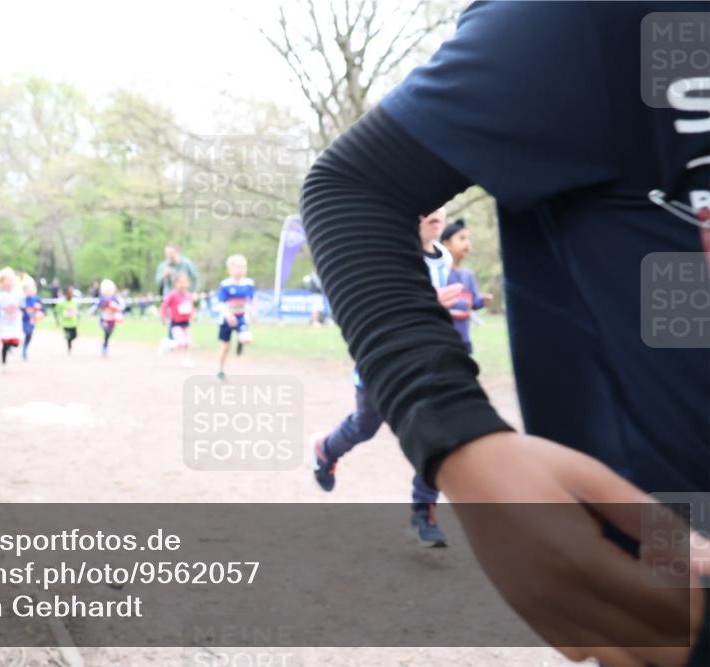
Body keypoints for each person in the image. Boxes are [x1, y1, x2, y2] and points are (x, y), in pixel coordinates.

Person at [299, 2, 708, 664]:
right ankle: (333, 451)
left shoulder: (454, 264)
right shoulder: (603, 28)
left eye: (442, 223)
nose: (439, 228)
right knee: (369, 422)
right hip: (392, 364)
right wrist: (461, 439)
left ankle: (419, 511)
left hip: (451, 350)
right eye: (434, 222)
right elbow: (352, 191)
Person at [310, 209, 461, 548]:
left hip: (424, 360)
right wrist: (426, 302)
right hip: (381, 360)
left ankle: (423, 513)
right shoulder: (389, 251)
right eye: (427, 208)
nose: (436, 214)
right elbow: (374, 304)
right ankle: (325, 450)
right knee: (363, 426)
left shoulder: (444, 257)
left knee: (436, 433)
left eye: (441, 207)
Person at [440, 218, 493, 353]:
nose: (467, 243)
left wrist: (482, 301)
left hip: (464, 340)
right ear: (446, 244)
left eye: (469, 239)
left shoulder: (468, 275)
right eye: (462, 238)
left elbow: (473, 303)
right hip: (444, 339)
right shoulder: (441, 273)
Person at [216, 254, 255, 380]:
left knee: (247, 338)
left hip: (241, 318)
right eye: (238, 267)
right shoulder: (225, 285)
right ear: (230, 269)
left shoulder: (249, 284)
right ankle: (220, 370)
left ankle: (240, 340)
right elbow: (221, 303)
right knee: (225, 347)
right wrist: (228, 315)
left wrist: (254, 313)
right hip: (226, 320)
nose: (241, 270)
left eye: (243, 267)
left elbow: (251, 300)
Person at [160, 272, 196, 367]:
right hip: (176, 323)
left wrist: (193, 315)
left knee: (188, 342)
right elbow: (164, 306)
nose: (183, 284)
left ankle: (186, 359)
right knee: (182, 342)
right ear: (175, 284)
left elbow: (191, 307)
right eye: (180, 282)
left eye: (185, 282)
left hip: (186, 322)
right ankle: (167, 344)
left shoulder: (188, 295)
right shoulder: (172, 295)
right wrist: (163, 317)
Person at [0, 268, 23, 368]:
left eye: (10, 280)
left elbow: (23, 306)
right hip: (4, 323)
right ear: (1, 282)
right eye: (6, 280)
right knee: (5, 342)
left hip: (15, 322)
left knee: (16, 342)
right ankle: (3, 362)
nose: (8, 282)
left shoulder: (18, 293)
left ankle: (9, 347)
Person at [97, 279, 125, 358]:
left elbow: (120, 308)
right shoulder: (102, 298)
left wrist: (115, 306)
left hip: (112, 319)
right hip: (104, 319)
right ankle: (105, 347)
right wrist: (107, 304)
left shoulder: (114, 298)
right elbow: (100, 306)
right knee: (106, 331)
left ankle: (105, 345)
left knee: (109, 333)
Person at [21, 281, 43, 361]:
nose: (31, 291)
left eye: (33, 289)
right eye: (29, 289)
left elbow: (43, 310)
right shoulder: (22, 299)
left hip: (32, 321)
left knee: (29, 335)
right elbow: (19, 308)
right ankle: (11, 345)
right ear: (25, 291)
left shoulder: (37, 299)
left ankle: (24, 349)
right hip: (23, 321)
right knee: (22, 333)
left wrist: (40, 311)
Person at [56, 287, 79, 354]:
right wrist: (58, 319)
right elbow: (57, 311)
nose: (71, 294)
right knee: (68, 336)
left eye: (72, 293)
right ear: (65, 294)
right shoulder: (62, 303)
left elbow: (76, 310)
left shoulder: (74, 301)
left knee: (74, 336)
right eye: (69, 293)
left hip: (73, 323)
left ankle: (69, 341)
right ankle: (69, 345)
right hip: (65, 323)